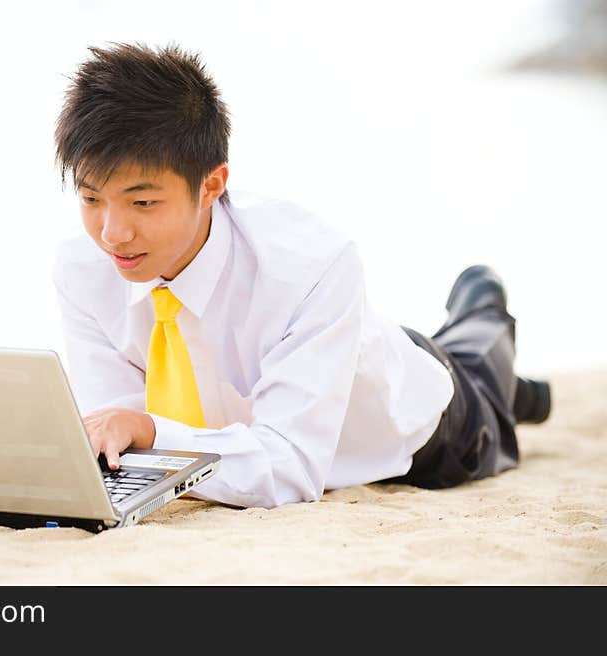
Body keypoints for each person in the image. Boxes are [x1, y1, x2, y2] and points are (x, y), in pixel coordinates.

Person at [51, 42, 551, 509]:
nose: (112, 234)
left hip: (422, 425)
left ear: (211, 185)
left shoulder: (310, 266)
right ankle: (519, 386)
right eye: (91, 198)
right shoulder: (82, 271)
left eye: (142, 202)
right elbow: (116, 430)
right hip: (333, 355)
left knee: (480, 362)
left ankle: (481, 301)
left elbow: (289, 467)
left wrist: (151, 432)